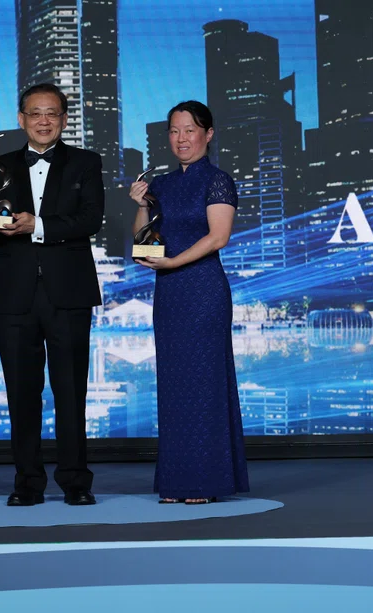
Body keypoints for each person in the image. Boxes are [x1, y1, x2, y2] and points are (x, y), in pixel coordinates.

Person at [0, 83, 104, 507]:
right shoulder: (1, 164)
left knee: (71, 392)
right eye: (35, 113)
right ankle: (27, 482)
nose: (43, 120)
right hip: (15, 294)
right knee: (20, 394)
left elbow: (90, 219)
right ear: (21, 118)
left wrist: (38, 226)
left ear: (64, 120)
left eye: (52, 113)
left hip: (69, 291)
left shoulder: (86, 162)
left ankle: (75, 482)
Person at [129, 101, 249, 504]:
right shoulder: (160, 184)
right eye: (174, 131)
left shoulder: (218, 181)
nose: (181, 139)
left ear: (208, 134)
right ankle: (177, 481)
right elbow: (142, 240)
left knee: (204, 383)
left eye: (190, 130)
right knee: (174, 383)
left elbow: (219, 237)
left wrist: (174, 262)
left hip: (202, 289)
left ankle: (205, 481)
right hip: (169, 292)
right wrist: (142, 204)